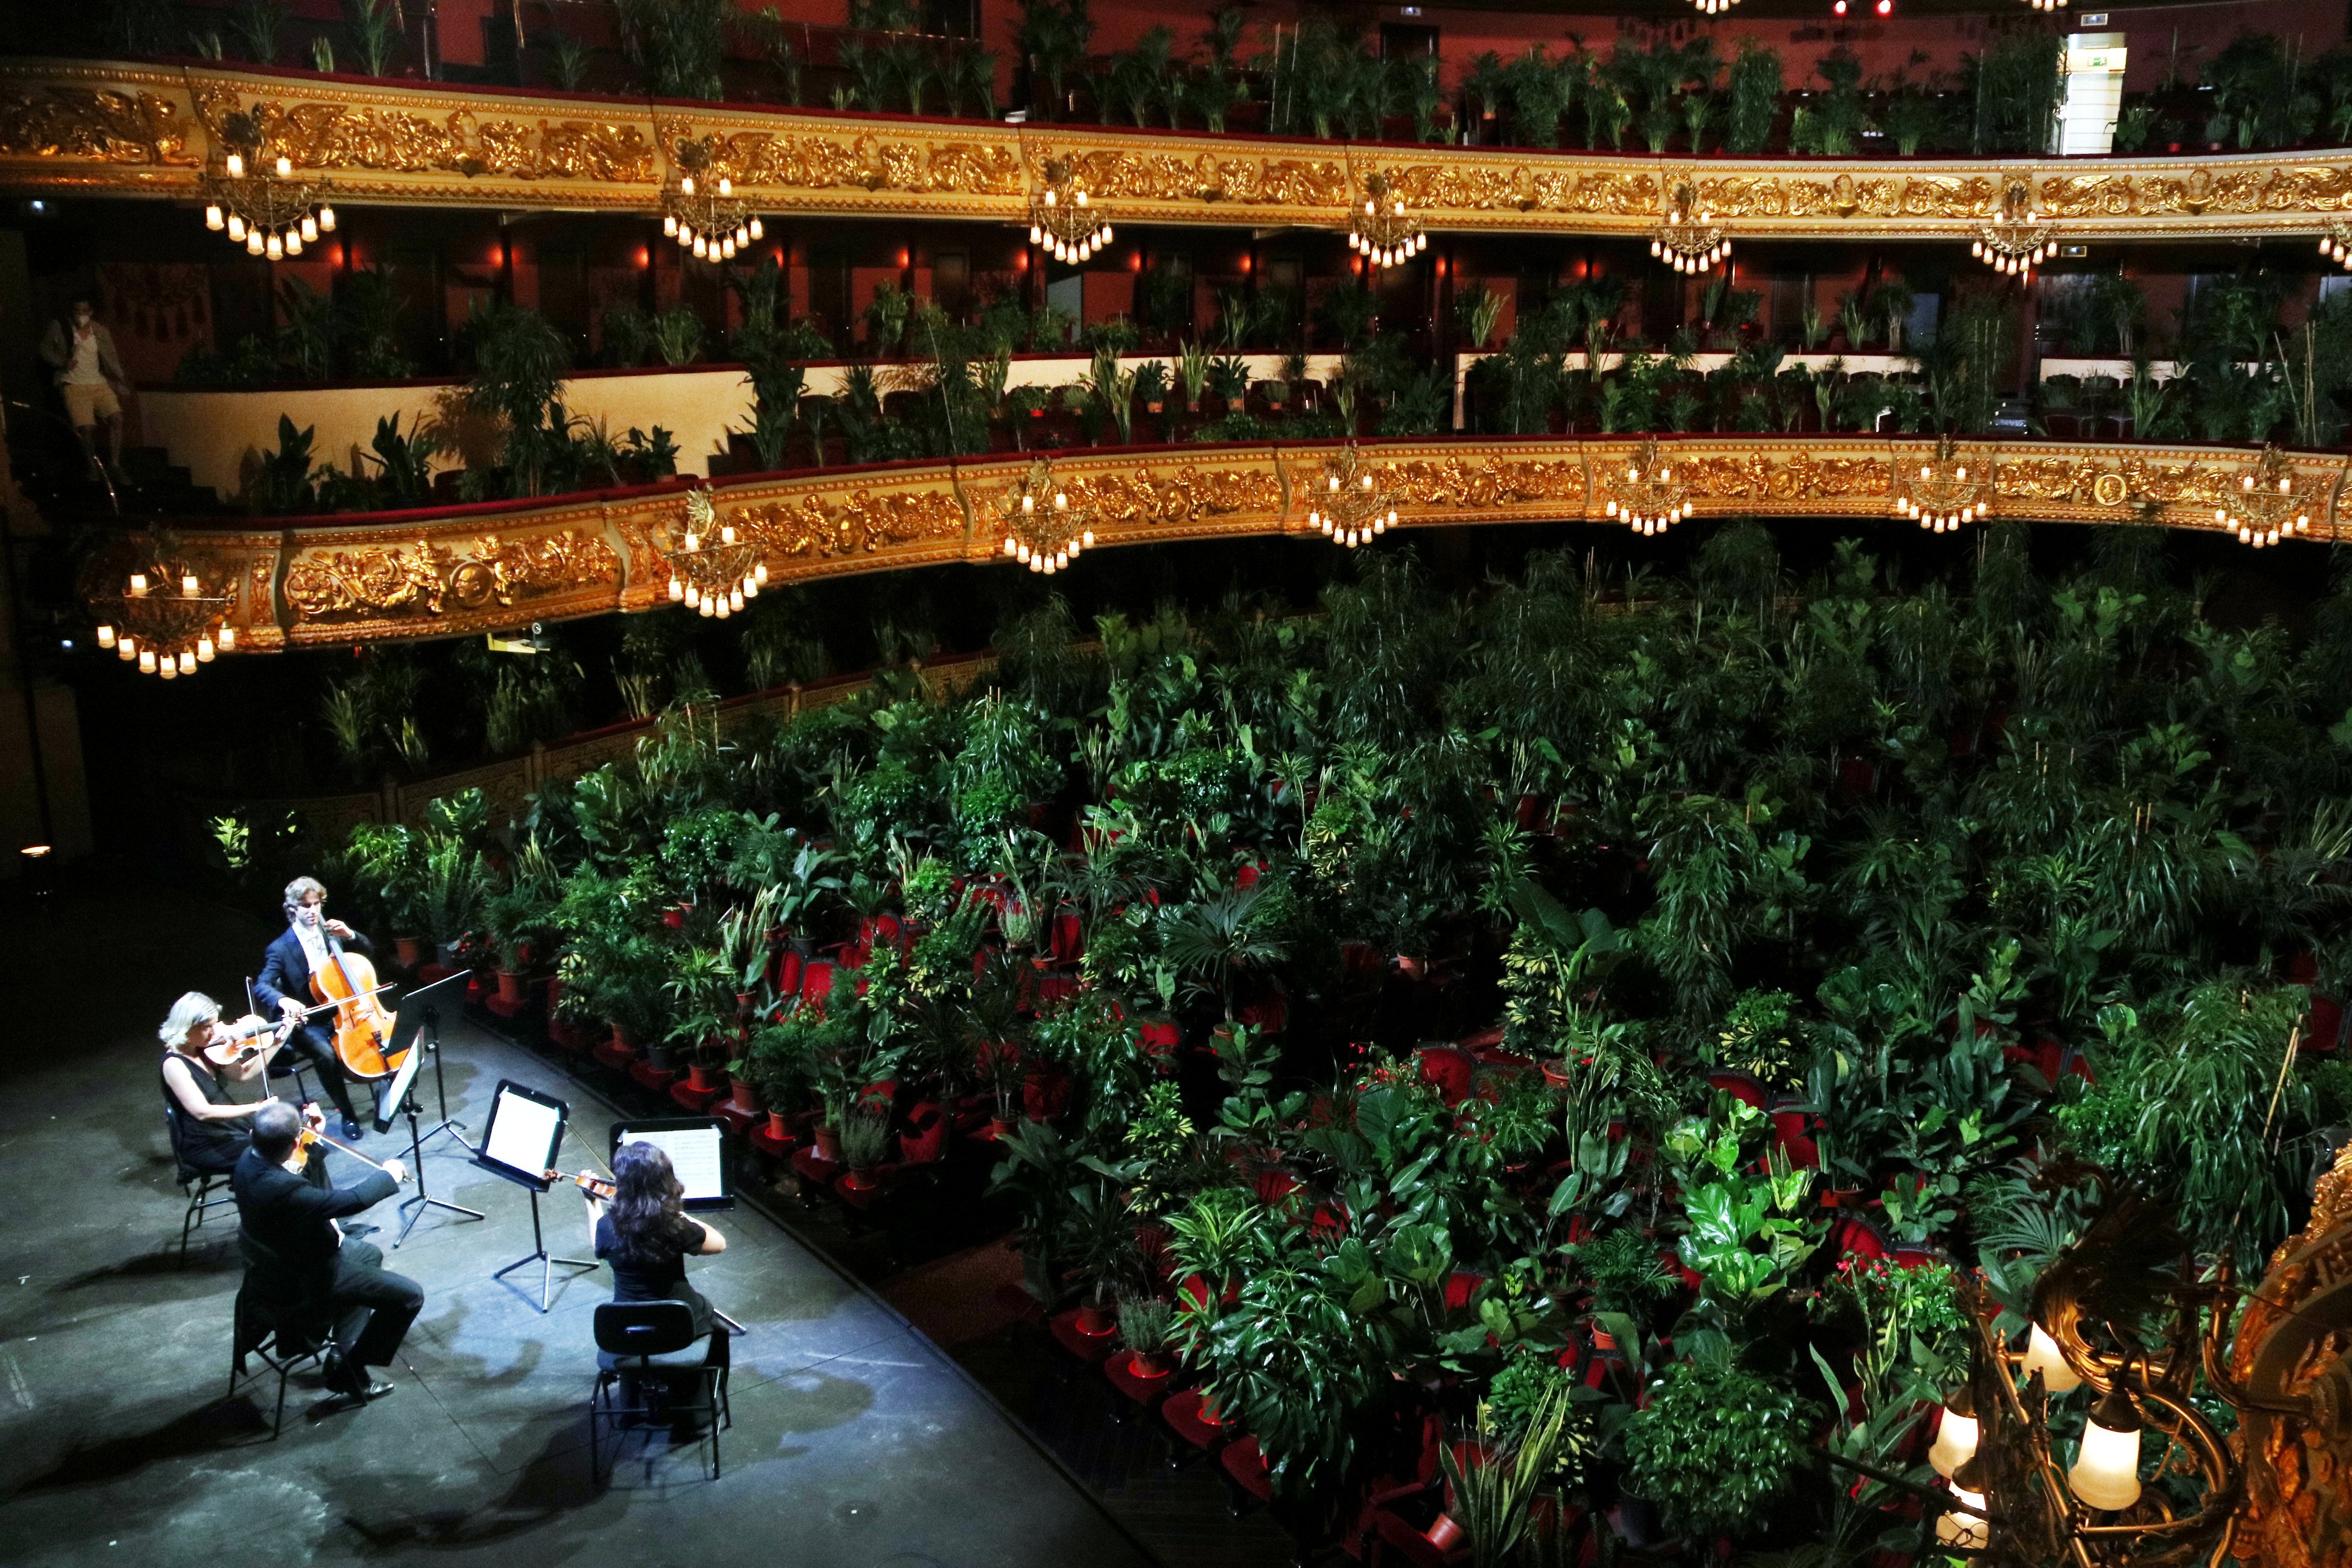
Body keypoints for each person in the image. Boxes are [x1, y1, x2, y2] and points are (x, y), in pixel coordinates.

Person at [232, 1101, 420, 1404]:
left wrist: (314, 1141)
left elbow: (294, 1174)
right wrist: (390, 1174)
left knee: (368, 1255)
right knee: (410, 1296)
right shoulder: (283, 1189)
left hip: (271, 1269)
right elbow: (352, 1200)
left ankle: (341, 1349)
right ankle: (349, 1369)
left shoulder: (247, 1162)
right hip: (308, 1278)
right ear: (294, 1142)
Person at [588, 1141, 728, 1430]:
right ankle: (702, 1410)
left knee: (638, 1328)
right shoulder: (675, 1226)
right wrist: (677, 1213)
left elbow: (598, 1247)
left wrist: (591, 1203)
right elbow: (718, 1243)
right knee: (717, 1325)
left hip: (623, 1333)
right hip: (679, 1326)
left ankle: (632, 1399)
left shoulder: (607, 1227)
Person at [253, 875, 368, 1139]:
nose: (314, 911)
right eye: (306, 906)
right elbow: (262, 985)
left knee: (377, 1036)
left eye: (317, 904)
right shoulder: (280, 949)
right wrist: (284, 1000)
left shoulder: (331, 933)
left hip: (343, 1011)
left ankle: (390, 1091)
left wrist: (351, 934)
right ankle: (348, 1114)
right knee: (327, 1055)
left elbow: (367, 951)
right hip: (309, 1021)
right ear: (293, 909)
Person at [157, 991, 285, 1174]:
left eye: (214, 1025)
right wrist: (256, 1108)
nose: (214, 1032)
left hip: (229, 1128)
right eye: (207, 1027)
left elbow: (243, 1074)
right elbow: (203, 1112)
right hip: (205, 1143)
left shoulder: (206, 1050)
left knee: (290, 1134)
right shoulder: (174, 1064)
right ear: (187, 1027)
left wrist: (278, 1042)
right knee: (274, 1151)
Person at [37, 296, 130, 480]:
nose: (81, 315)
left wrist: (119, 380)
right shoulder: (61, 327)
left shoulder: (100, 331)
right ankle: (92, 466)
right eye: (77, 311)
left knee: (117, 418)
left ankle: (115, 464)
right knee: (86, 428)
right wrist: (63, 362)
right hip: (74, 384)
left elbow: (111, 358)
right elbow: (44, 349)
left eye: (84, 312)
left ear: (91, 312)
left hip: (98, 382)